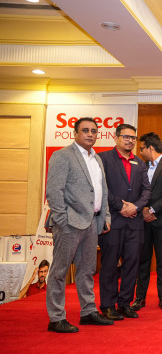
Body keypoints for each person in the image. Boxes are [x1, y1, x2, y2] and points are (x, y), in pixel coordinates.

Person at [45, 117, 113, 332]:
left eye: (93, 131)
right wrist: (62, 219)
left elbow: (102, 190)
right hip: (69, 223)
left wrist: (105, 216)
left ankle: (88, 312)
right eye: (85, 130)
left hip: (92, 222)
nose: (90, 134)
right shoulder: (62, 155)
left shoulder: (96, 158)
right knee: (60, 272)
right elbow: (54, 190)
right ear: (75, 133)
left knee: (87, 270)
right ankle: (56, 317)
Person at [97, 124, 151, 320]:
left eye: (133, 138)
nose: (130, 141)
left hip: (135, 222)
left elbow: (147, 191)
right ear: (116, 138)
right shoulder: (103, 159)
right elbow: (101, 187)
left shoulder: (140, 163)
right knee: (109, 264)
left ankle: (125, 303)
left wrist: (135, 207)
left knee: (132, 263)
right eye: (126, 137)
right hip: (112, 220)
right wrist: (120, 206)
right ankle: (108, 305)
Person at [132, 132, 162, 312]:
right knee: (142, 260)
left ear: (150, 148)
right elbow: (136, 191)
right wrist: (143, 210)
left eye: (142, 148)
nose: (140, 152)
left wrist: (152, 210)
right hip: (142, 221)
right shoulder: (140, 166)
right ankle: (140, 298)